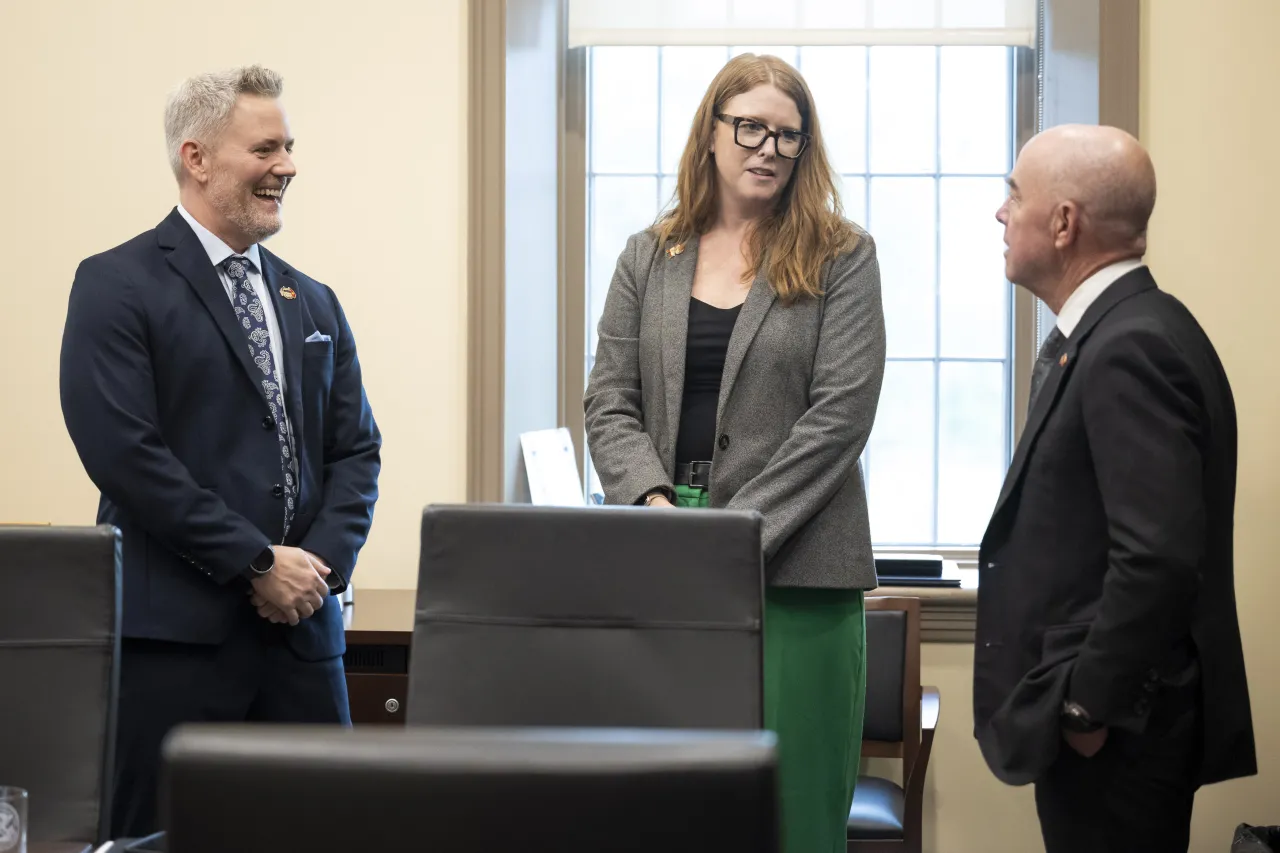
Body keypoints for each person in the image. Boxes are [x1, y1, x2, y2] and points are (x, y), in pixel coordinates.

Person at [59, 65, 381, 837]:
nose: (289, 166)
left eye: (291, 146)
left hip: (303, 643)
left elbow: (357, 451)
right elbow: (126, 456)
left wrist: (316, 571)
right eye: (266, 147)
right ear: (196, 157)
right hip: (175, 648)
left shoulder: (315, 300)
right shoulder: (116, 286)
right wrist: (255, 562)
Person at [584, 53, 886, 853]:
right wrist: (653, 505)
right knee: (675, 812)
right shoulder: (648, 256)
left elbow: (840, 417)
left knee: (794, 818)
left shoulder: (842, 256)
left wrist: (733, 535)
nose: (768, 148)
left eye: (789, 135)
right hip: (664, 566)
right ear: (711, 134)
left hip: (801, 576)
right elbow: (608, 400)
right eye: (749, 126)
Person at [973, 124, 1255, 852]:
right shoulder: (1121, 330)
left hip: (1121, 728)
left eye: (1013, 194)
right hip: (1119, 720)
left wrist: (1082, 707)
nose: (1001, 213)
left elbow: (1156, 557)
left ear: (1064, 222)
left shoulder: (1129, 345)